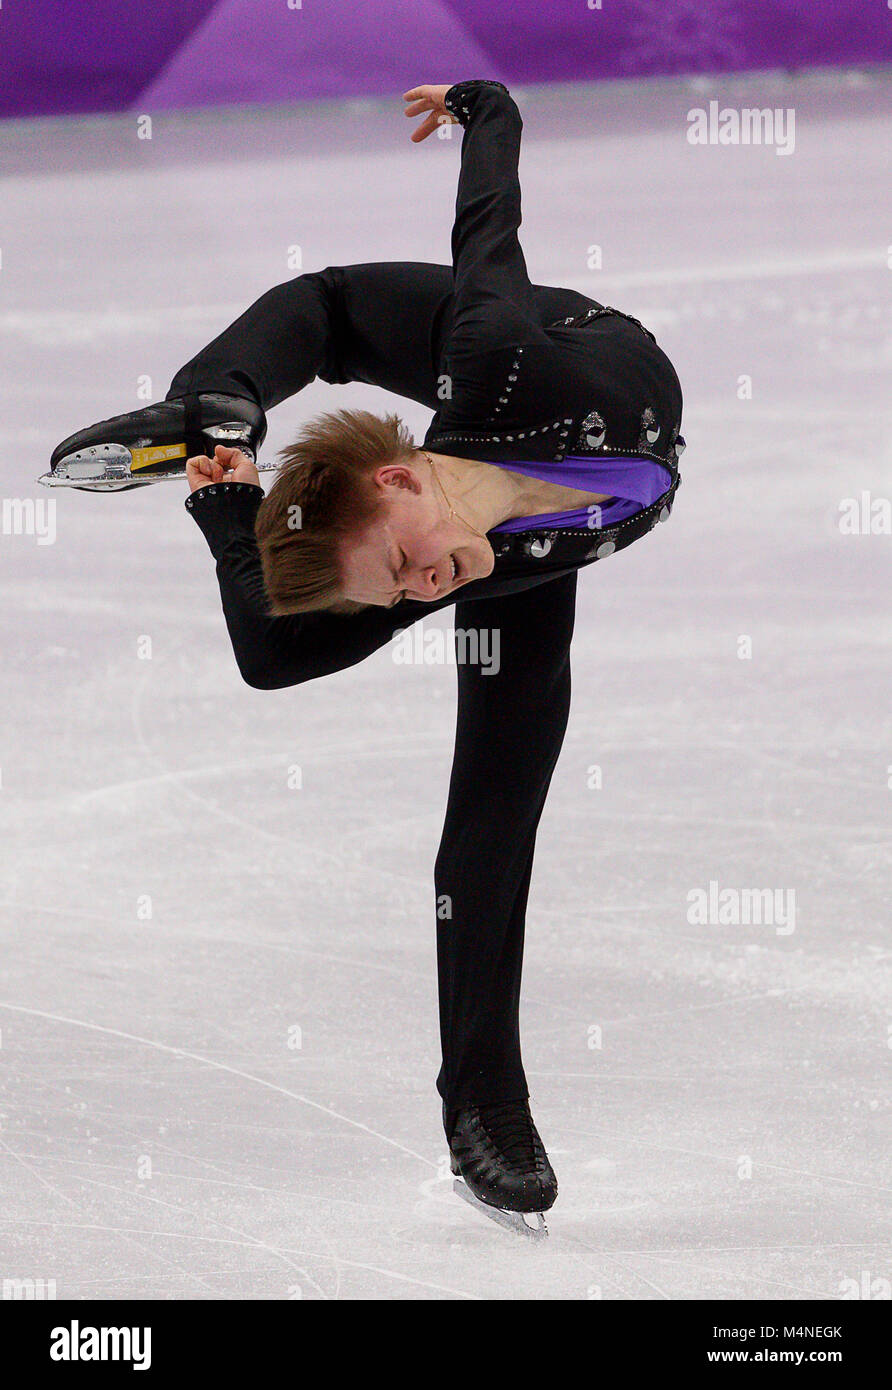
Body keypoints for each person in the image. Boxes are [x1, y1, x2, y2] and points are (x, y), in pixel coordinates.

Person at [45, 80, 685, 1225]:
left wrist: (484, 109)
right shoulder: (446, 560)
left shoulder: (493, 356)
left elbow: (489, 224)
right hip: (521, 545)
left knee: (329, 304)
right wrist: (228, 525)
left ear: (397, 480)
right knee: (489, 825)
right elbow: (273, 660)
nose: (417, 594)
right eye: (395, 591)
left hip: (569, 354)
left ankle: (214, 411)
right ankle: (481, 1104)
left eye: (399, 567)